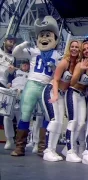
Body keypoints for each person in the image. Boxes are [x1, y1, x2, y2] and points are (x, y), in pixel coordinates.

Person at [11, 16, 61, 157]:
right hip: (32, 84)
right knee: (25, 114)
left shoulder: (57, 55)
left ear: (55, 39)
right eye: (42, 35)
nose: (44, 38)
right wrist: (24, 44)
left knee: (47, 116)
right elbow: (16, 53)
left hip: (47, 87)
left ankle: (43, 147)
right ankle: (20, 147)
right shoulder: (34, 51)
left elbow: (61, 72)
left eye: (48, 35)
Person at [42, 40, 81, 162]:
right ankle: (47, 151)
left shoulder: (78, 64)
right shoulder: (65, 62)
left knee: (59, 123)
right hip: (51, 90)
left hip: (62, 94)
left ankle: (52, 150)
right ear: (69, 48)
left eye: (77, 47)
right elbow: (56, 79)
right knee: (54, 121)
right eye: (72, 47)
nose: (74, 49)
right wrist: (54, 95)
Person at [4, 60, 30, 150]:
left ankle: (21, 141)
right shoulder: (15, 72)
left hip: (24, 97)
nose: (25, 66)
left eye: (27, 64)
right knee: (7, 117)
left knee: (22, 119)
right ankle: (9, 139)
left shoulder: (31, 75)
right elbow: (8, 82)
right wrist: (9, 85)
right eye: (23, 64)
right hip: (13, 96)